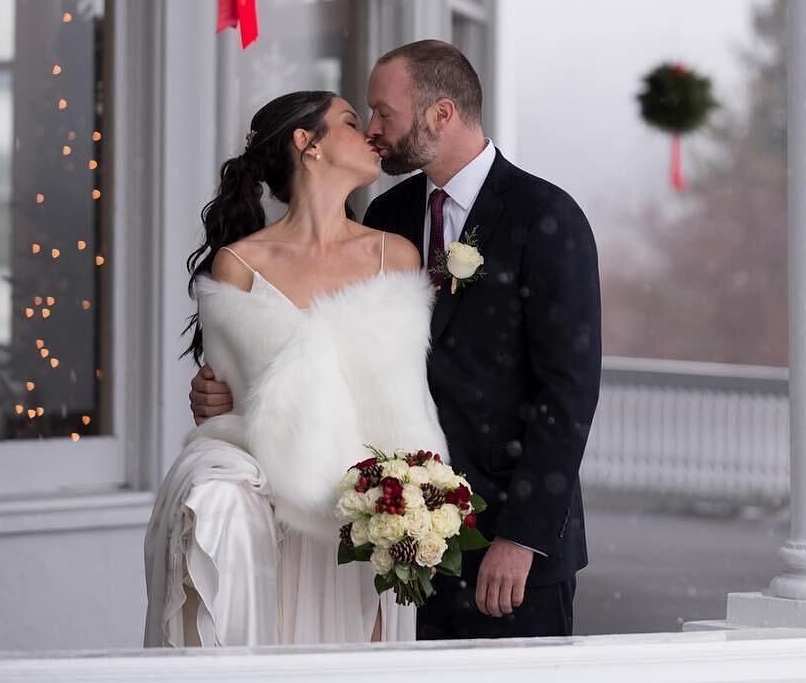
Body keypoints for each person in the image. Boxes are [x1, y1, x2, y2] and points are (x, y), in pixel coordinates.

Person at [190, 41, 603, 639]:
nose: (375, 131)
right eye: (365, 118)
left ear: (441, 114)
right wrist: (231, 393)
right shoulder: (389, 216)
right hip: (393, 537)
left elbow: (569, 392)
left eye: (383, 113)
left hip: (509, 549)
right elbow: (331, 351)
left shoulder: (546, 215)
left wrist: (520, 538)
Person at [146, 90, 444, 646]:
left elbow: (403, 402)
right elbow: (227, 398)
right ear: (307, 144)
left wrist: (413, 512)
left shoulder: (395, 256)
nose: (372, 135)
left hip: (361, 520)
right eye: (353, 123)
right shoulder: (238, 267)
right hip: (271, 516)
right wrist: (222, 401)